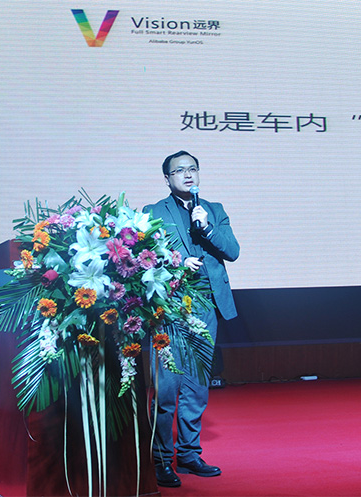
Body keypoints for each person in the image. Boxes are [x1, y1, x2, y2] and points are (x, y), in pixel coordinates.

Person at [145, 150, 240, 488]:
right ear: (167, 178)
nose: (188, 175)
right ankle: (160, 459)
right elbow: (144, 257)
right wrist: (176, 263)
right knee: (167, 387)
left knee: (197, 386)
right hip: (170, 306)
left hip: (206, 306)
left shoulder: (214, 210)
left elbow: (233, 251)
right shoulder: (153, 212)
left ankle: (188, 454)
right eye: (179, 170)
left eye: (193, 169)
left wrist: (208, 228)